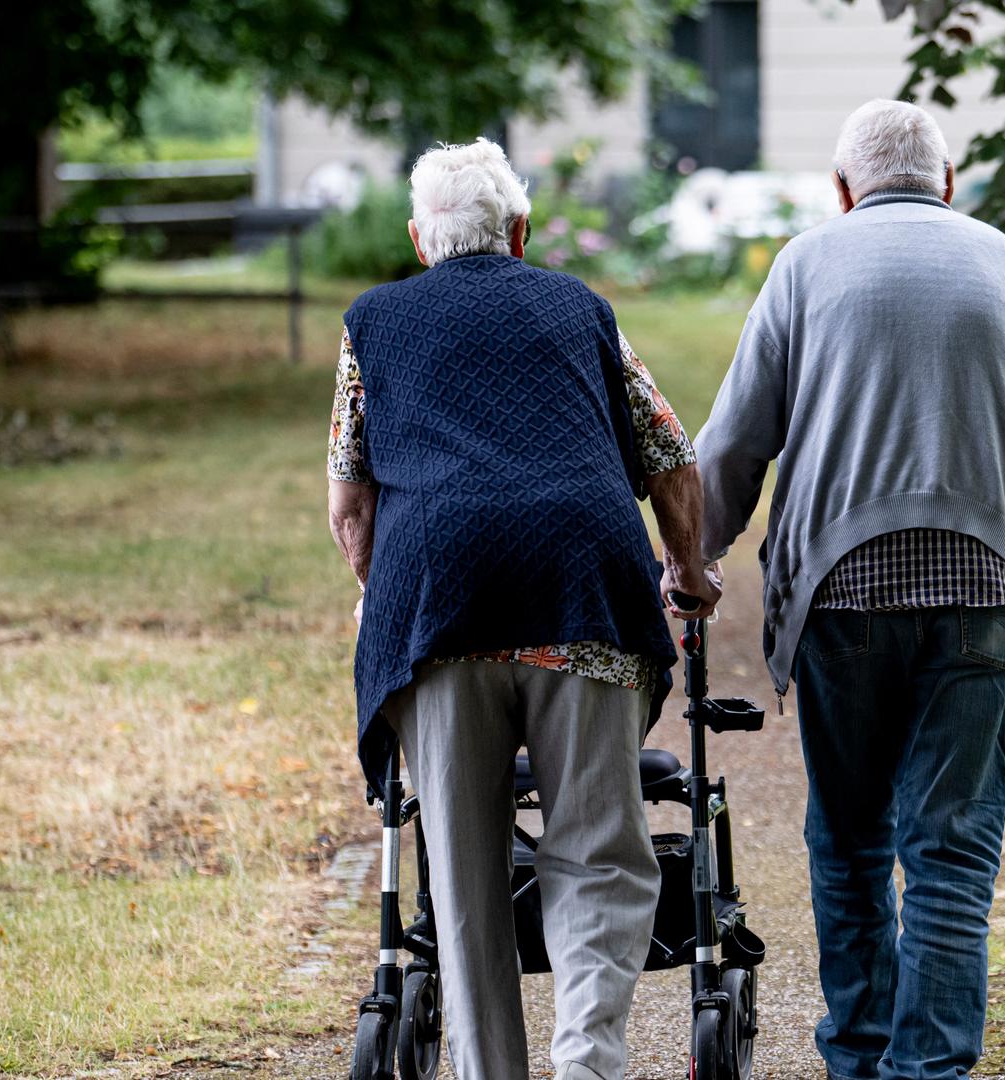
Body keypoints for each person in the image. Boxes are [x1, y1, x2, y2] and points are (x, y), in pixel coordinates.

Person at [694, 99, 1005, 1080]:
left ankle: (860, 1058)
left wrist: (694, 565)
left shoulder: (806, 264)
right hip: (988, 586)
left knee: (848, 840)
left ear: (843, 192)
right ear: (950, 183)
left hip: (841, 593)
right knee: (952, 854)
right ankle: (928, 1073)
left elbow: (732, 447)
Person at [325, 138, 720, 1080]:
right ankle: (586, 1064)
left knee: (462, 881)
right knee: (596, 851)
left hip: (437, 611)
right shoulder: (579, 307)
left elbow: (349, 498)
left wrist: (379, 594)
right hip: (582, 594)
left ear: (421, 241)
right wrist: (688, 569)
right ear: (521, 232)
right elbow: (669, 454)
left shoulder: (372, 322)